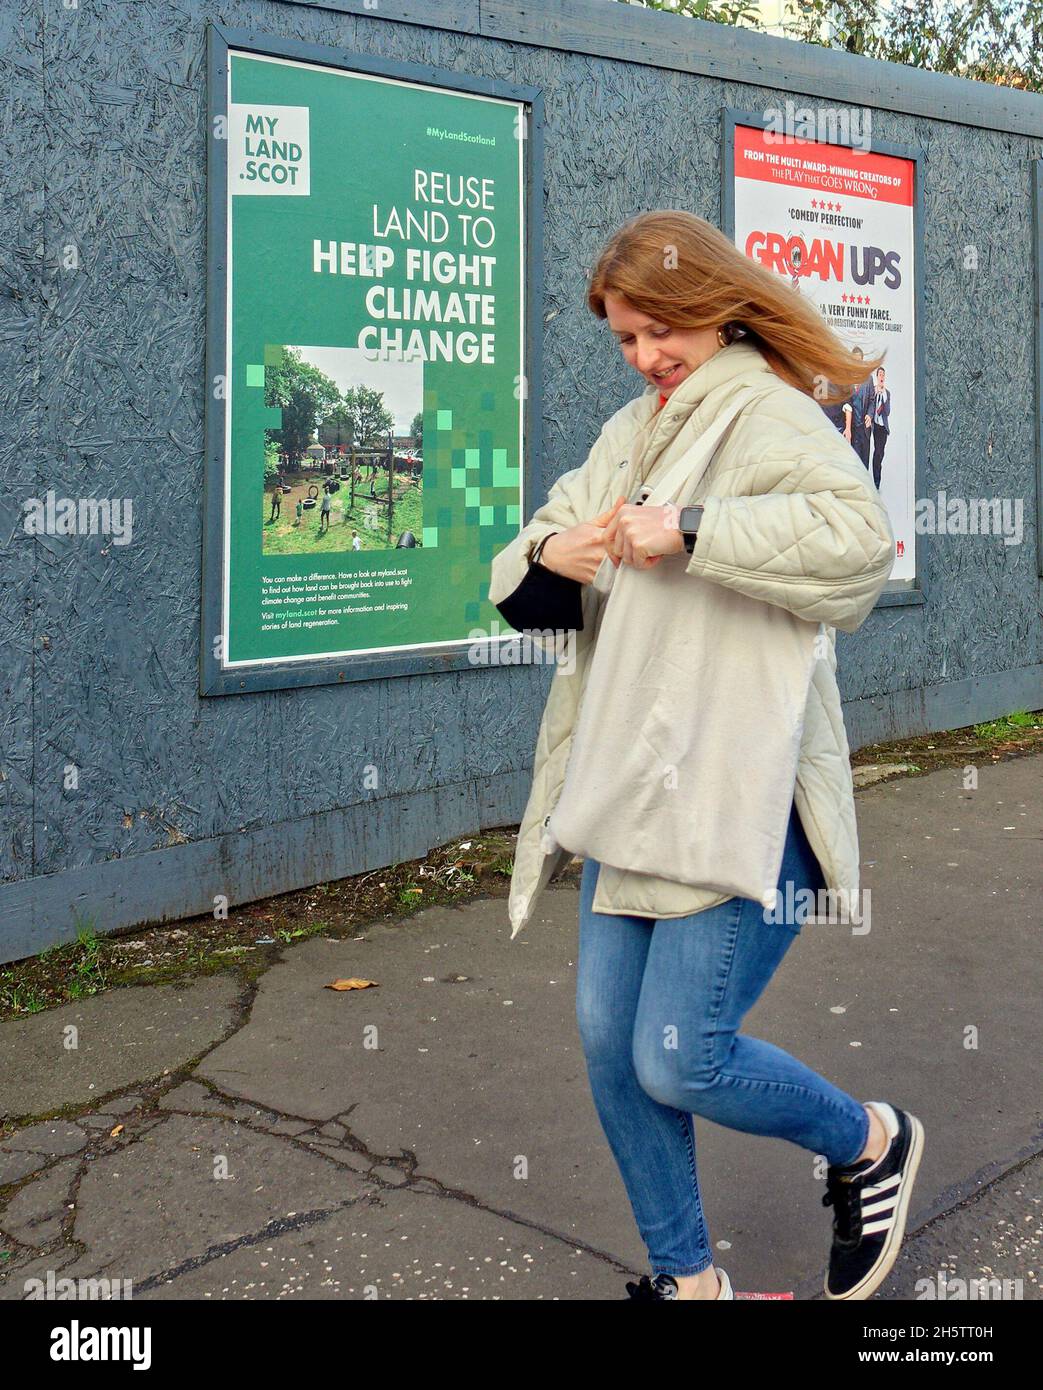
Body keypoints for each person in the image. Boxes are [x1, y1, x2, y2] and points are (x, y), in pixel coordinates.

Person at [488, 209, 922, 1303]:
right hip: (627, 788)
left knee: (678, 1055)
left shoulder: (766, 412)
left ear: (709, 307)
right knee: (608, 1047)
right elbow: (525, 563)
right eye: (624, 340)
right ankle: (689, 1285)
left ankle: (866, 1141)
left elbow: (857, 547)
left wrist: (691, 529)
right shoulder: (633, 428)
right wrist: (554, 548)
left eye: (655, 332)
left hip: (737, 787)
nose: (643, 358)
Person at [869, 367, 891, 489]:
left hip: (882, 427)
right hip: (874, 425)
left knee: (880, 453)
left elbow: (887, 412)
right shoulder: (872, 390)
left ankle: (877, 474)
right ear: (877, 377)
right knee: (876, 452)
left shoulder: (887, 394)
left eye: (883, 374)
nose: (881, 376)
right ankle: (876, 481)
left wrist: (883, 395)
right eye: (880, 374)